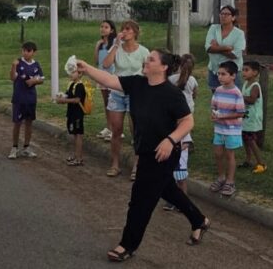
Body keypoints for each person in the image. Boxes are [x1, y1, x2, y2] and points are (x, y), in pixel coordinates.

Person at [75, 50, 210, 262]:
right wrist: (87, 68)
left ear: (164, 67)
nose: (146, 61)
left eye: (151, 59)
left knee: (141, 200)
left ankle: (127, 245)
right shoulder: (138, 84)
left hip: (164, 153)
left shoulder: (172, 94)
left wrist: (170, 140)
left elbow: (187, 122)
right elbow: (110, 80)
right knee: (167, 190)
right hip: (144, 150)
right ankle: (199, 220)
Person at [101, 20, 149, 179]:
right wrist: (115, 45)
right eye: (123, 29)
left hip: (135, 93)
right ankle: (115, 164)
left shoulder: (143, 51)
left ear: (135, 32)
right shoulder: (117, 49)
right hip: (117, 92)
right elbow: (106, 64)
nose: (125, 32)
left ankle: (137, 165)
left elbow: (148, 71)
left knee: (135, 131)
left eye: (128, 29)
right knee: (116, 130)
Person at [163, 54, 198, 210]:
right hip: (183, 131)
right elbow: (194, 95)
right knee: (180, 176)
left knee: (175, 175)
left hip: (177, 142)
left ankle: (179, 202)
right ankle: (179, 201)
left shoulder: (170, 80)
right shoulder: (193, 80)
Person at [209, 61, 245, 197]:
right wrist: (213, 114)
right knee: (218, 154)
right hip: (219, 128)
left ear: (233, 76)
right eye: (219, 74)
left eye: (223, 74)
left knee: (230, 155)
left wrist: (224, 117)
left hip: (232, 129)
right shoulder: (218, 91)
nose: (220, 77)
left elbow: (240, 113)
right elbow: (214, 106)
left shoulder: (237, 93)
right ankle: (221, 177)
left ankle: (230, 181)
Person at [8, 41, 44, 159]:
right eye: (24, 50)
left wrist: (34, 81)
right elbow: (13, 77)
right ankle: (14, 147)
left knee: (29, 122)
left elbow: (41, 78)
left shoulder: (36, 65)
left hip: (31, 98)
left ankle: (26, 146)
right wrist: (13, 66)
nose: (26, 53)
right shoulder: (18, 63)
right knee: (17, 123)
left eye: (28, 51)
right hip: (19, 98)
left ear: (33, 52)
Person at [205, 5, 246, 91]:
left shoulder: (239, 34)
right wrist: (226, 48)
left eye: (227, 14)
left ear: (233, 17)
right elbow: (208, 48)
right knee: (216, 97)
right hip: (214, 69)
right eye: (222, 14)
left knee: (233, 96)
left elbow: (235, 55)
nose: (223, 16)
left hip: (232, 72)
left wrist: (217, 48)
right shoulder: (213, 29)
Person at [239, 60, 266, 174]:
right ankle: (248, 159)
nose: (243, 72)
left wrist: (240, 96)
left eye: (246, 70)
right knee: (246, 138)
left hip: (252, 118)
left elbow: (252, 99)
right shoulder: (245, 83)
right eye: (243, 70)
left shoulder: (255, 86)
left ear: (255, 72)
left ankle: (261, 163)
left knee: (250, 139)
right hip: (246, 117)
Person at [55, 69, 86, 166]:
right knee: (74, 134)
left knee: (78, 135)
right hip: (71, 113)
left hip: (77, 114)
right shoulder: (71, 84)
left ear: (80, 74)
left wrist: (65, 101)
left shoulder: (80, 86)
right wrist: (61, 97)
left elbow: (77, 100)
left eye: (73, 72)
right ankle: (75, 155)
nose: (71, 74)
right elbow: (68, 95)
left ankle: (79, 158)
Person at [94, 19, 117, 141]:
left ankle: (115, 129)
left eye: (106, 27)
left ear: (112, 30)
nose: (103, 29)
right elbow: (97, 61)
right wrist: (97, 46)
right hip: (101, 76)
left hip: (111, 76)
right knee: (106, 103)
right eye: (101, 26)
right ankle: (108, 127)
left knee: (113, 103)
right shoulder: (100, 44)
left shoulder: (115, 43)